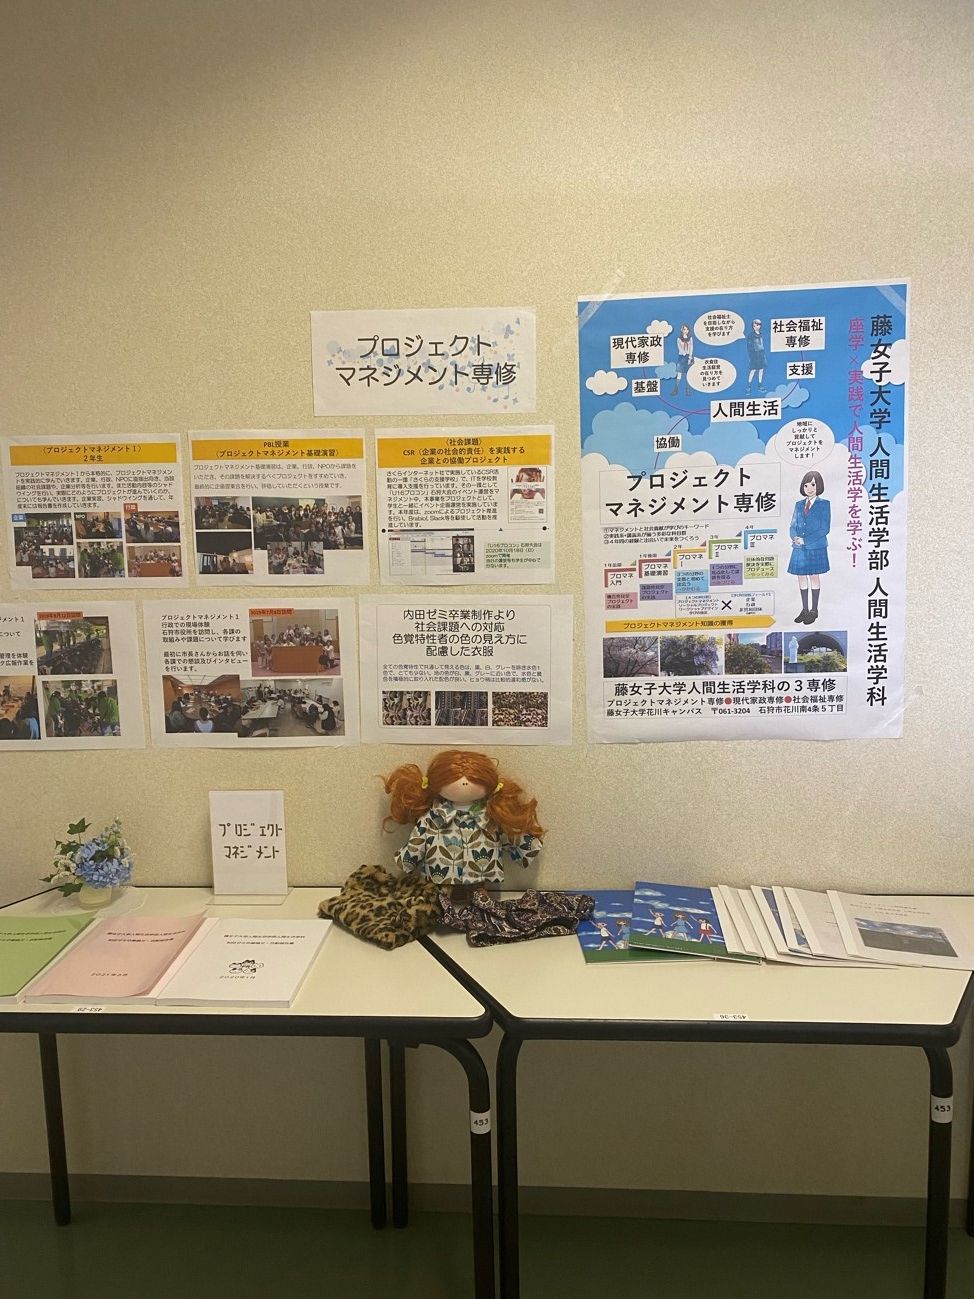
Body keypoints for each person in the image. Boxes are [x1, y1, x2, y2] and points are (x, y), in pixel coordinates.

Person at [383, 750, 544, 886]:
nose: (464, 783)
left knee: (479, 901)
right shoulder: (432, 818)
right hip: (441, 877)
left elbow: (509, 834)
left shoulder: (492, 816)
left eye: (473, 779)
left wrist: (527, 847)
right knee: (442, 900)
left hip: (480, 877)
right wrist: (407, 860)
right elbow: (417, 841)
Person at [788, 469, 831, 625]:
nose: (809, 488)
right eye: (806, 485)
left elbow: (824, 528)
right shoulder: (798, 504)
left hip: (815, 547)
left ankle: (814, 610)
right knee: (801, 577)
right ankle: (804, 610)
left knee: (813, 577)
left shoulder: (824, 504)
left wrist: (805, 540)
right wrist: (795, 537)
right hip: (799, 547)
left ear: (818, 485)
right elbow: (793, 525)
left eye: (813, 484)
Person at [745, 318, 767, 394]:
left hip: (761, 354)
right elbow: (749, 347)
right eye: (755, 325)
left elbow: (762, 344)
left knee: (761, 370)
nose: (757, 326)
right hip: (754, 354)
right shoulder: (750, 335)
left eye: (758, 325)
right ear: (753, 326)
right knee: (753, 370)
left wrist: (763, 354)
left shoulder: (761, 334)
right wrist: (751, 356)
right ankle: (748, 386)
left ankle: (760, 386)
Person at [671, 322, 693, 396]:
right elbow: (680, 348)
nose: (686, 331)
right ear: (681, 330)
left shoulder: (690, 338)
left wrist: (690, 357)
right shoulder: (679, 339)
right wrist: (685, 355)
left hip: (689, 357)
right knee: (679, 374)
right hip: (681, 357)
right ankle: (676, 389)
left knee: (688, 374)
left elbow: (691, 348)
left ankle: (687, 390)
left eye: (687, 329)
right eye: (684, 329)